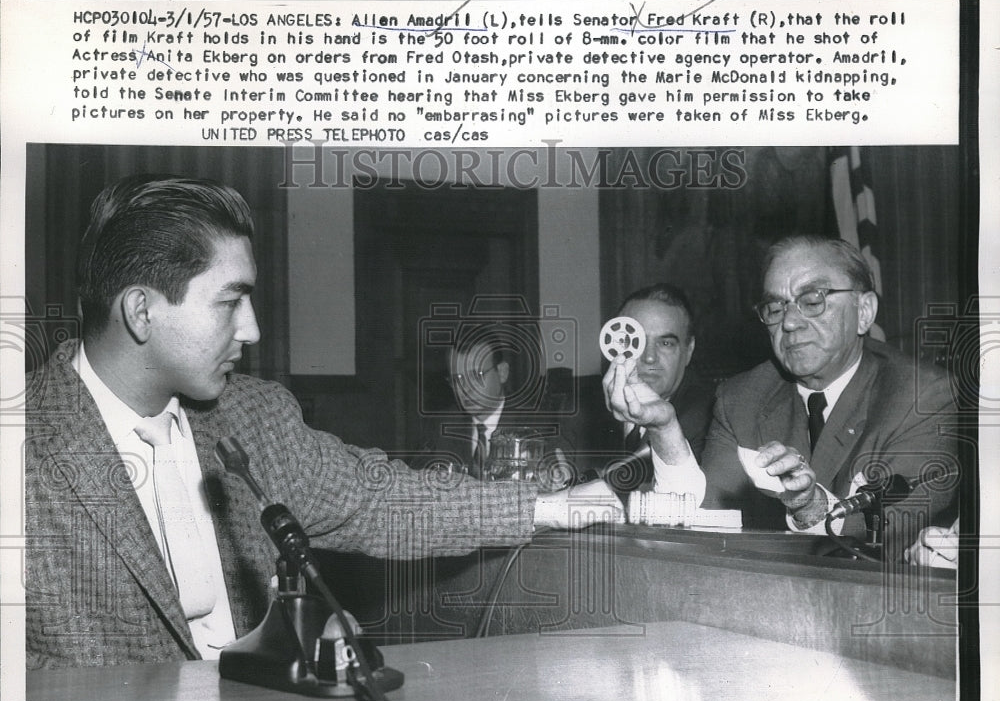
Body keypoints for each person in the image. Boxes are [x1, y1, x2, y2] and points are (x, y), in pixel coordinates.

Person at [24, 174, 618, 669]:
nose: (252, 328)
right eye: (230, 302)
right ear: (140, 311)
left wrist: (547, 507)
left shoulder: (254, 417)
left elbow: (376, 499)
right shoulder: (21, 449)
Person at [605, 235, 958, 558]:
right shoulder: (742, 398)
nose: (789, 322)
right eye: (775, 308)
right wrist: (665, 429)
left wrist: (810, 505)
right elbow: (703, 521)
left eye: (812, 301)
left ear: (864, 312)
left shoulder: (922, 396)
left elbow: (892, 534)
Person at [596, 284, 715, 494]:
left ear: (689, 350)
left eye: (666, 343)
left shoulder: (713, 417)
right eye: (635, 341)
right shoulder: (580, 408)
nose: (649, 357)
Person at [417, 329, 574, 486]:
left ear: (502, 372)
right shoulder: (439, 426)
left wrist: (557, 473)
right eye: (457, 379)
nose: (466, 388)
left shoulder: (537, 423)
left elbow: (561, 463)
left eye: (477, 375)